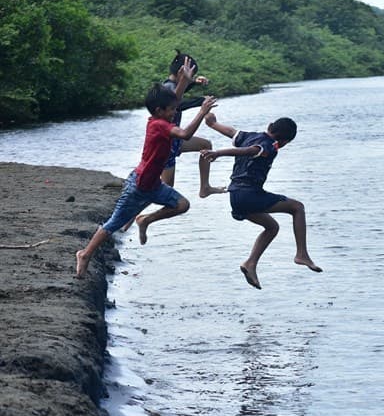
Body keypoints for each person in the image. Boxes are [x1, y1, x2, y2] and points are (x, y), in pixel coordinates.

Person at [75, 84, 218, 277]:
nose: (175, 113)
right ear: (159, 110)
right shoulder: (158, 125)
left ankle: (145, 220)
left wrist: (184, 81)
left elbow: (174, 106)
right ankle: (85, 254)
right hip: (139, 185)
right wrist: (202, 112)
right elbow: (185, 135)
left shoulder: (161, 120)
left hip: (154, 185)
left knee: (182, 205)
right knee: (114, 223)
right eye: (172, 110)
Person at [201, 113, 322, 290]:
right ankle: (302, 254)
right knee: (297, 207)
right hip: (249, 195)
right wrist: (218, 153)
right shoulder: (269, 146)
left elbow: (231, 132)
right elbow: (250, 151)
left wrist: (212, 123)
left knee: (272, 227)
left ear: (270, 125)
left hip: (235, 197)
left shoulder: (249, 136)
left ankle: (250, 264)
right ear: (285, 142)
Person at [161, 50, 225, 198]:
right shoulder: (168, 88)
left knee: (206, 146)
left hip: (176, 139)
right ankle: (135, 217)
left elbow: (180, 91)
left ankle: (205, 187)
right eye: (189, 75)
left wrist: (195, 83)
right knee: (163, 190)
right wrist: (201, 101)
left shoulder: (172, 85)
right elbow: (178, 103)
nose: (191, 78)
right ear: (181, 72)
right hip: (167, 144)